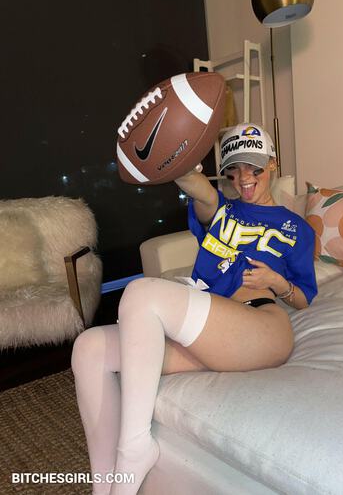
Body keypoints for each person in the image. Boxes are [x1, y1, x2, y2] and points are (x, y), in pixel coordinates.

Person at [71, 122, 317, 495]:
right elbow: (192, 182)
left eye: (254, 167)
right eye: (235, 169)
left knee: (141, 292)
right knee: (88, 348)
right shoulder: (222, 210)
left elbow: (303, 297)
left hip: (262, 325)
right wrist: (169, 144)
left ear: (272, 163)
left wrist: (277, 281)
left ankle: (134, 447)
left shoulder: (295, 227)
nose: (244, 178)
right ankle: (108, 486)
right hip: (212, 329)